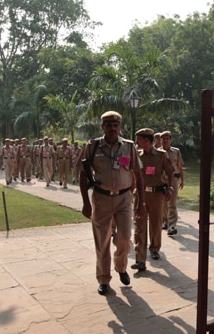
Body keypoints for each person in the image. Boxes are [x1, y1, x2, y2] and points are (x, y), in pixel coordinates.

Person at [79, 111, 146, 295]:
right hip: (101, 199)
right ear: (103, 127)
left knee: (124, 237)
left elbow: (138, 175)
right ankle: (103, 279)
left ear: (120, 127)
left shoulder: (129, 147)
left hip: (124, 198)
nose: (113, 128)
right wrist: (86, 203)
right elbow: (83, 175)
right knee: (103, 241)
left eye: (116, 125)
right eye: (109, 125)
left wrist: (142, 202)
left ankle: (121, 266)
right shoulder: (93, 146)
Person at [130, 128, 175, 272]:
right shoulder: (137, 155)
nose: (137, 142)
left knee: (156, 225)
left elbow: (170, 172)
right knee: (139, 227)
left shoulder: (162, 155)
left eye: (139, 139)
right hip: (140, 195)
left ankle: (154, 248)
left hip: (156, 195)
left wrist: (169, 188)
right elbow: (132, 172)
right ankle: (140, 259)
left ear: (146, 140)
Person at [159, 131, 184, 235]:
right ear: (160, 141)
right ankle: (165, 221)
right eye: (163, 139)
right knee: (163, 203)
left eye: (167, 139)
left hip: (173, 179)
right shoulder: (157, 152)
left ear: (170, 140)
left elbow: (180, 166)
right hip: (161, 180)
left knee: (172, 203)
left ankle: (172, 226)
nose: (165, 141)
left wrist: (182, 180)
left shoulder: (176, 151)